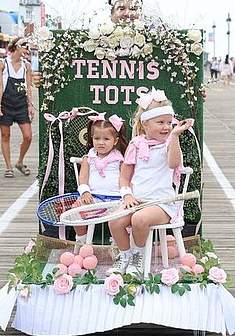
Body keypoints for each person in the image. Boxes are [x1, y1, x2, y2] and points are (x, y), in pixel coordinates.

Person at [107, 89, 194, 276]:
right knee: (115, 221)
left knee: (139, 219)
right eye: (160, 122)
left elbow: (174, 164)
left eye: (169, 122)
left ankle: (138, 257)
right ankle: (125, 256)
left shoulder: (168, 143)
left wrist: (175, 136)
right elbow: (124, 177)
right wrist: (127, 195)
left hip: (161, 203)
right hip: (137, 200)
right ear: (145, 123)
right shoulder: (136, 144)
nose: (166, 127)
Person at [72, 113, 127, 244]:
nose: (101, 142)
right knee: (75, 211)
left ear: (115, 141)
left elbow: (125, 178)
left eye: (106, 139)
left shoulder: (119, 159)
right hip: (93, 198)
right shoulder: (88, 158)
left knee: (122, 217)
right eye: (97, 138)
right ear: (92, 139)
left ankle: (117, 243)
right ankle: (82, 240)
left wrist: (126, 195)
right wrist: (85, 192)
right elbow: (83, 177)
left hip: (116, 200)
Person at [0, 36, 34, 178]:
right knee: (5, 135)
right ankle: (8, 166)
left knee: (28, 136)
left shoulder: (26, 65)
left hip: (21, 103)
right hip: (6, 102)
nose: (27, 50)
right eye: (25, 47)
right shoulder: (2, 63)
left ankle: (20, 161)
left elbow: (28, 87)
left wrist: (30, 105)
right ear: (17, 47)